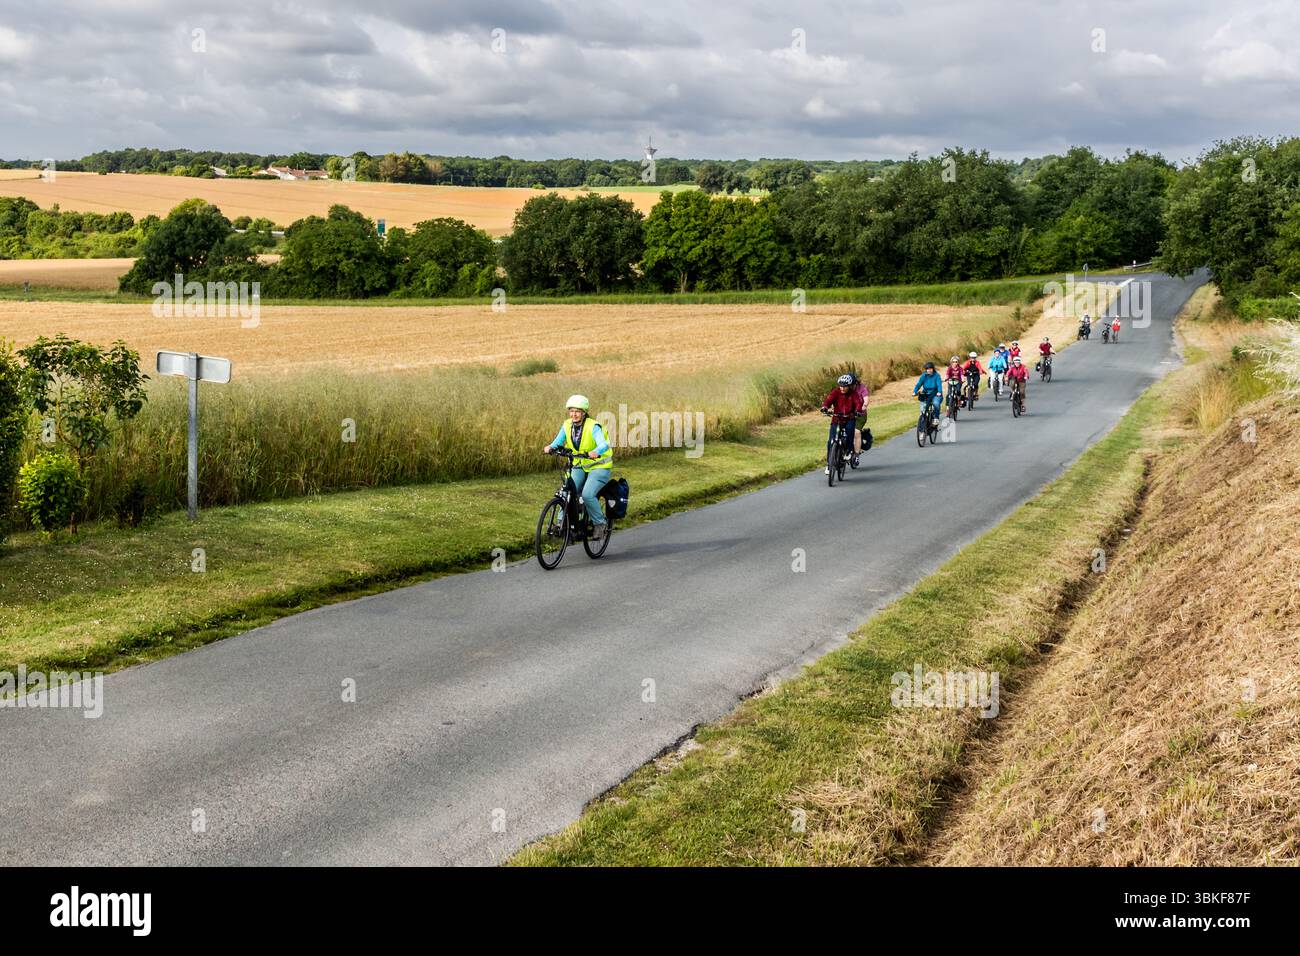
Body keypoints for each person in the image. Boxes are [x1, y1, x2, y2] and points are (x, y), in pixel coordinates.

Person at [543, 394, 613, 539]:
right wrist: (550, 447)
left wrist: (596, 452)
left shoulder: (593, 426)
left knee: (587, 494)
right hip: (579, 464)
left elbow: (604, 444)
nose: (573, 414)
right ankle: (562, 524)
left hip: (598, 466)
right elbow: (558, 441)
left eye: (577, 411)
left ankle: (600, 524)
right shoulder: (567, 425)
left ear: (584, 412)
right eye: (571, 411)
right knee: (565, 492)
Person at [821, 373, 864, 475]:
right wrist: (825, 407)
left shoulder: (853, 394)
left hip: (849, 418)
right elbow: (828, 400)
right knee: (831, 441)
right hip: (837, 419)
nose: (842, 388)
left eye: (845, 386)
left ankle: (848, 451)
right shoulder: (836, 392)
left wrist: (858, 410)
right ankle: (829, 464)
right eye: (841, 386)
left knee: (850, 432)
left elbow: (858, 403)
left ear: (849, 386)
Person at [850, 373, 872, 462]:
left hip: (860, 414)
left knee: (856, 432)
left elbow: (866, 399)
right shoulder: (845, 389)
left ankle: (856, 455)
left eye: (852, 384)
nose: (850, 387)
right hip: (848, 414)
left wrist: (864, 405)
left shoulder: (861, 388)